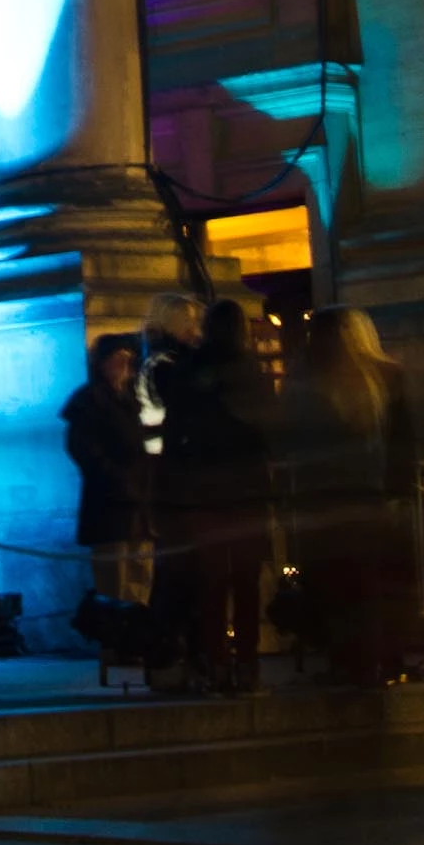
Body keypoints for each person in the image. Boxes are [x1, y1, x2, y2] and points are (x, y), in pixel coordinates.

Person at [141, 294, 268, 694]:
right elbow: (269, 433)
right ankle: (247, 663)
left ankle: (216, 662)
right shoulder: (253, 374)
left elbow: (174, 435)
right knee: (247, 583)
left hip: (203, 494)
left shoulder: (188, 372)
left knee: (212, 584)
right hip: (247, 493)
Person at [284, 306, 418, 686]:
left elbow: (292, 440)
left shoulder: (308, 378)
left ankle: (346, 662)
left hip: (323, 499)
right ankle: (380, 659)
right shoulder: (387, 376)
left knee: (335, 585)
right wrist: (398, 490)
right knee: (371, 586)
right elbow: (402, 444)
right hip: (370, 497)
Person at [62, 333, 151, 610]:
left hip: (137, 504)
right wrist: (115, 476)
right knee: (115, 580)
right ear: (102, 364)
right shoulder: (88, 402)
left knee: (139, 575)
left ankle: (138, 637)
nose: (124, 367)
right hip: (109, 505)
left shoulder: (131, 399)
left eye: (128, 361)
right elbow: (84, 450)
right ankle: (117, 643)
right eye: (118, 360)